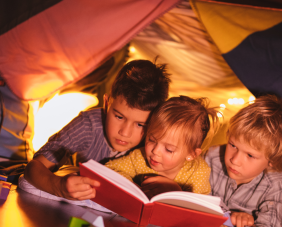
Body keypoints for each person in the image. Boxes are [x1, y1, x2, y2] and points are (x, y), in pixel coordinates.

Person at [23, 59, 171, 201]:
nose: (125, 133)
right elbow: (34, 167)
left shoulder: (157, 143)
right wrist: (59, 186)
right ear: (107, 103)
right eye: (119, 117)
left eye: (140, 125)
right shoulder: (88, 125)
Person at [190, 94, 282, 227]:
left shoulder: (276, 182)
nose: (235, 160)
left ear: (272, 160)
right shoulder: (211, 157)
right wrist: (230, 216)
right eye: (233, 145)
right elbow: (193, 199)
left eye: (250, 155)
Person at [105, 96, 220, 198]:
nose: (155, 151)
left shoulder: (198, 172)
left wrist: (176, 191)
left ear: (192, 154)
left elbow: (199, 208)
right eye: (151, 140)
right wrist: (131, 186)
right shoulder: (139, 157)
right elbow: (109, 168)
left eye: (169, 149)